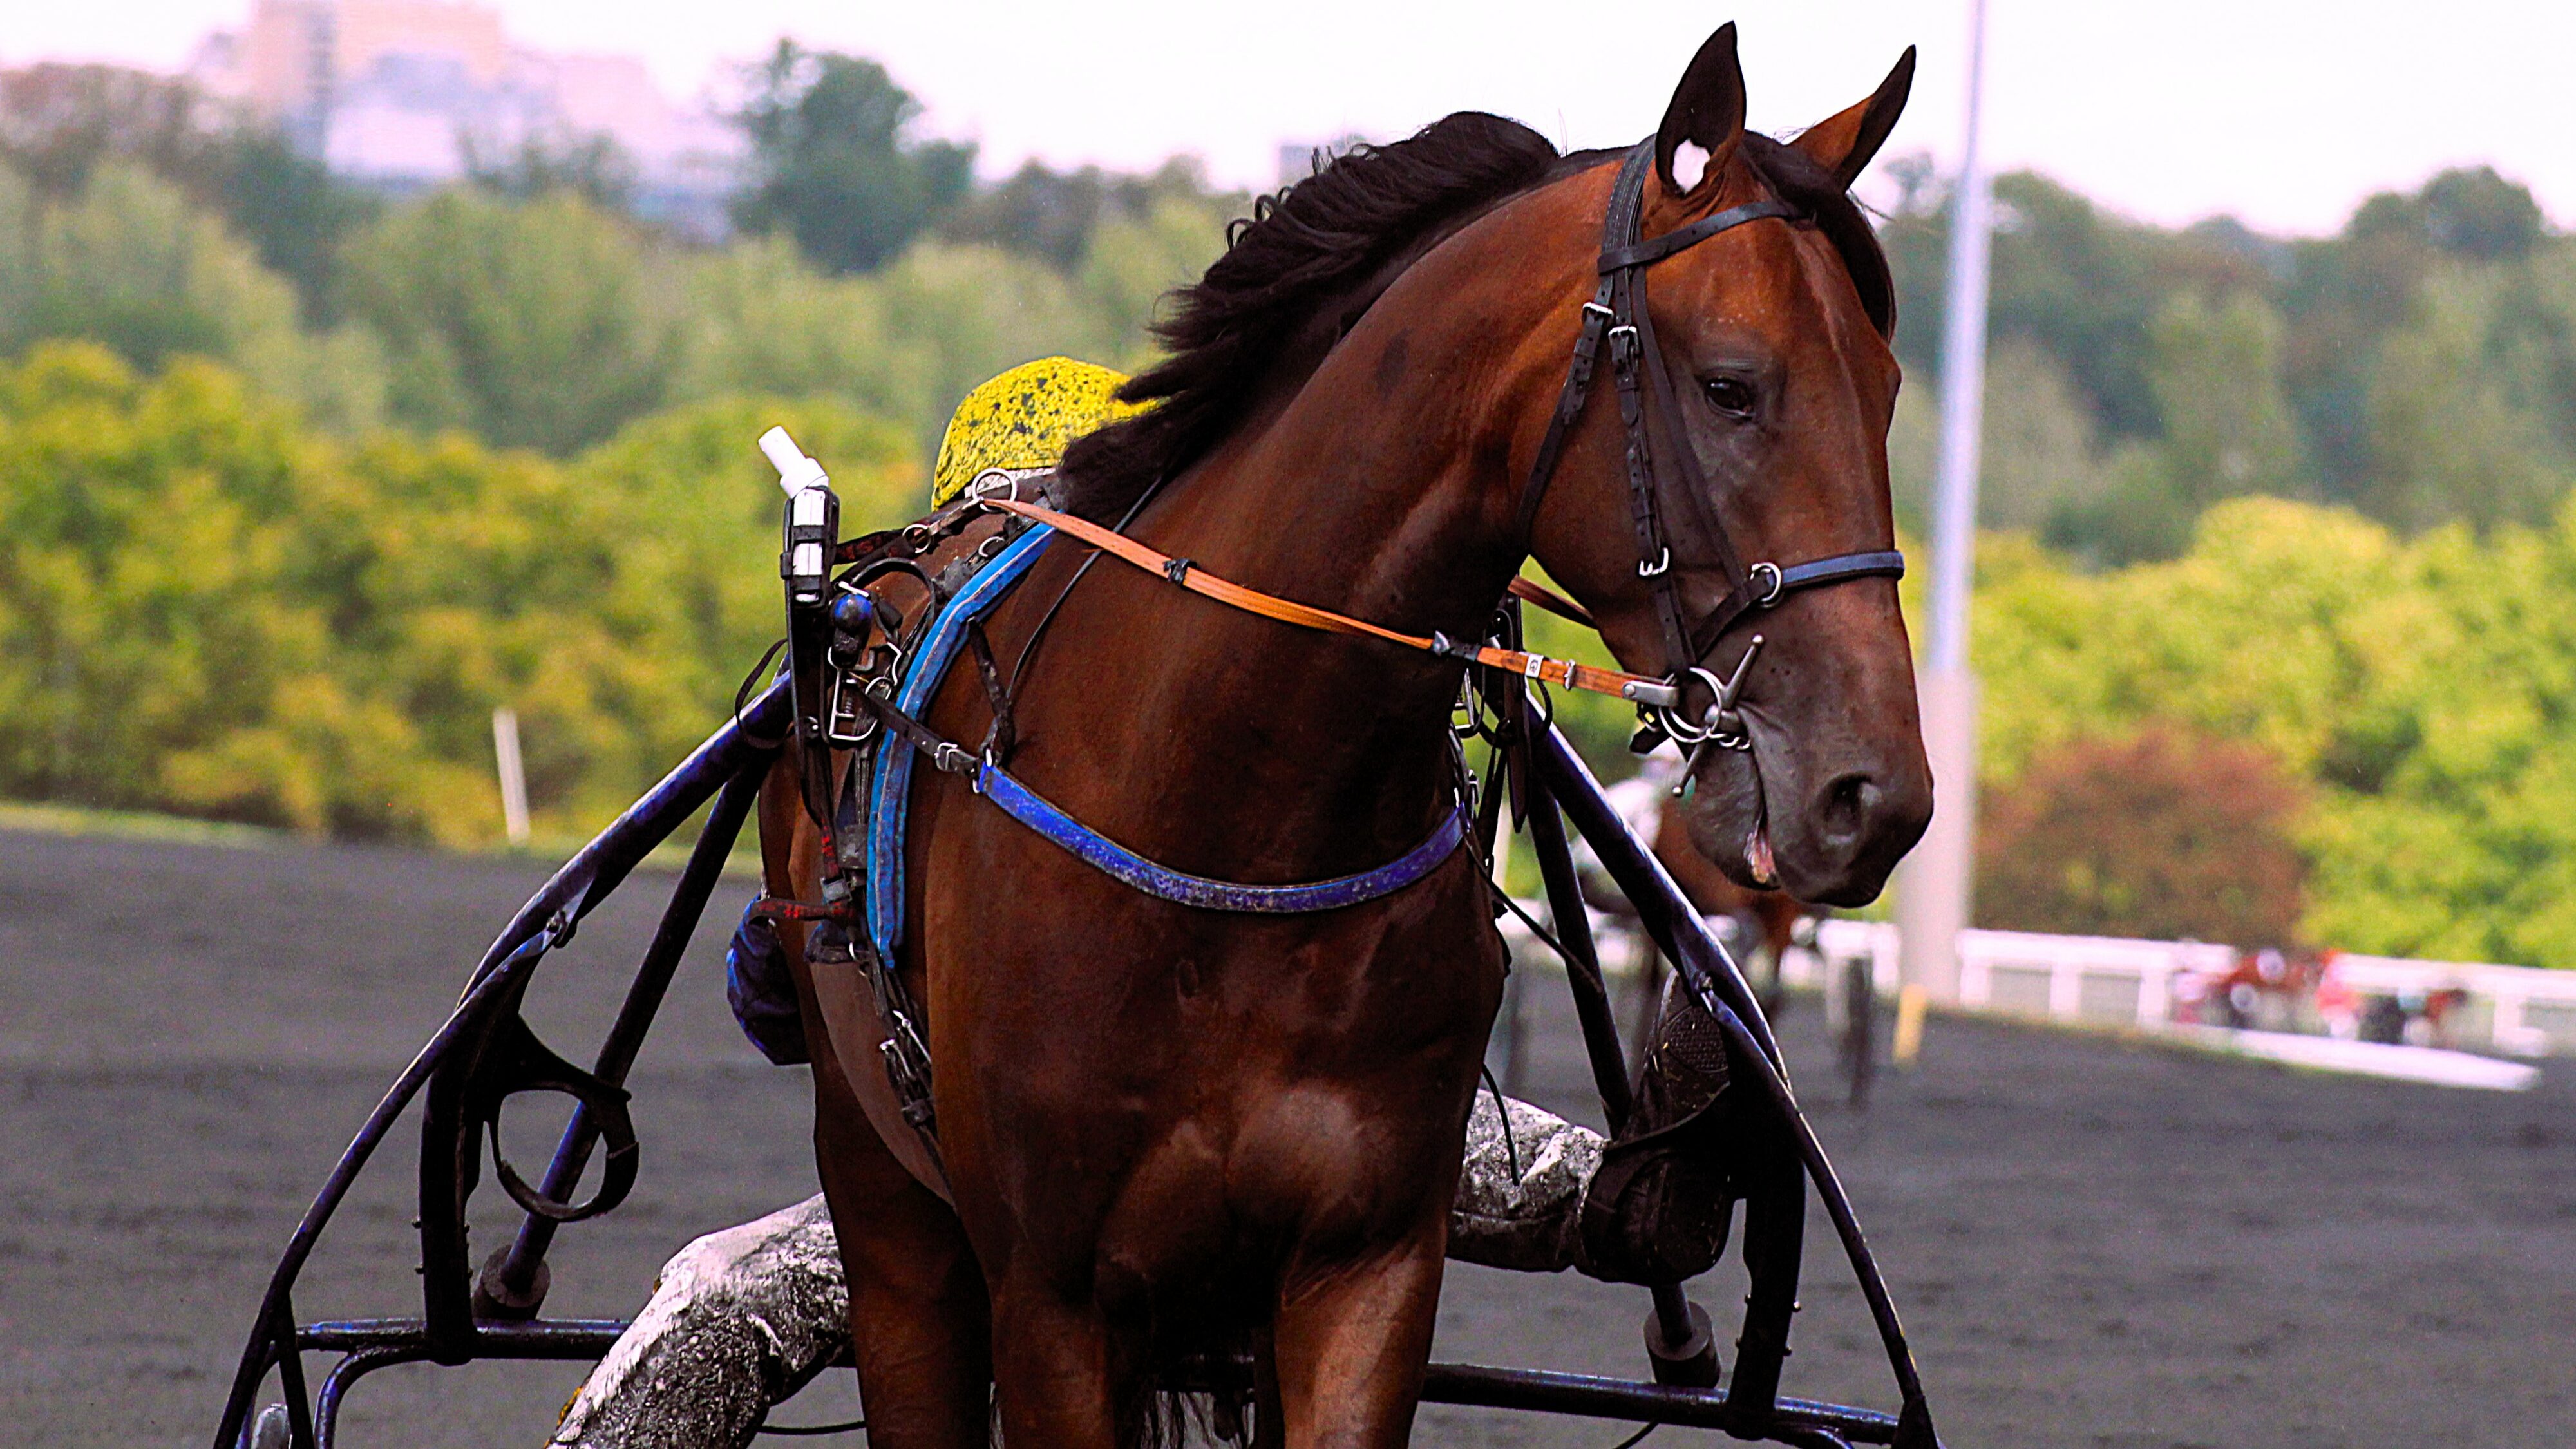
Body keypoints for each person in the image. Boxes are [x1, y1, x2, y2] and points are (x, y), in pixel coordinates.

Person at [547, 361, 1764, 1448]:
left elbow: (782, 1016)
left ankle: (1635, 1204)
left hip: (1095, 1180)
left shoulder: (944, 713)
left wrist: (788, 953)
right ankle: (1626, 1205)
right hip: (1184, 1172)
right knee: (1388, 1160)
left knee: (719, 1300)